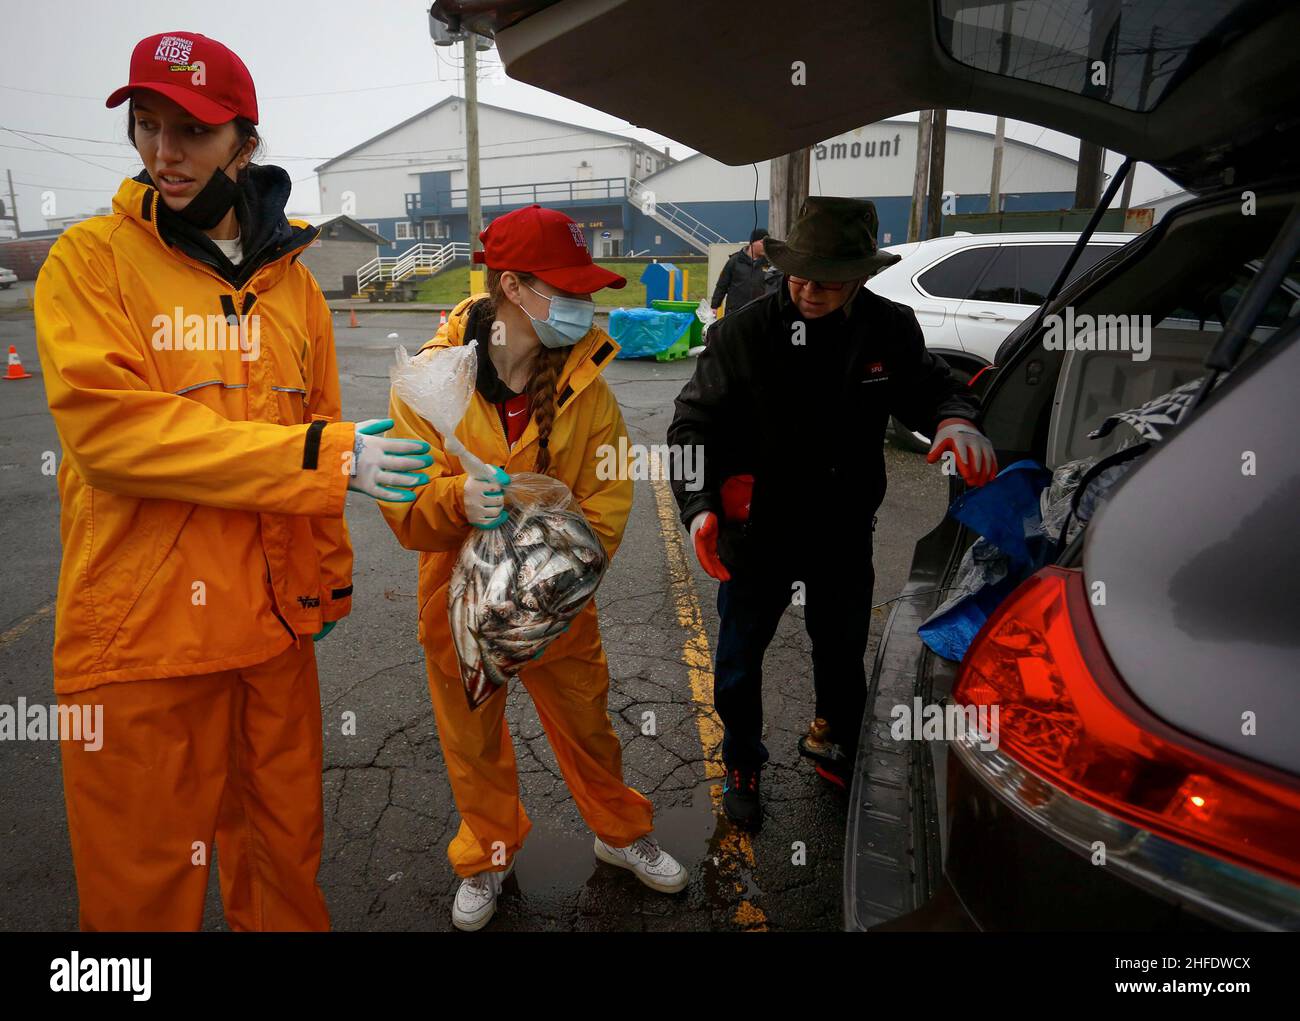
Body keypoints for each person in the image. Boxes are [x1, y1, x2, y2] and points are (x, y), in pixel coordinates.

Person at [33, 31, 433, 931]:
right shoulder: (91, 262)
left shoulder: (293, 286)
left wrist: (327, 578)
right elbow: (114, 436)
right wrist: (323, 458)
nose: (164, 153)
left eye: (192, 130)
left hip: (272, 637)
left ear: (244, 141)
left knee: (285, 869)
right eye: (147, 126)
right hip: (142, 644)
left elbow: (322, 421)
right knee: (140, 899)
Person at [380, 204, 688, 931]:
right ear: (513, 288)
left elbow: (609, 492)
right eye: (571, 290)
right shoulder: (426, 384)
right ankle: (487, 857)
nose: (586, 305)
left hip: (555, 605)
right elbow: (405, 508)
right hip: (459, 609)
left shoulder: (588, 388)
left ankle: (620, 832)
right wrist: (458, 496)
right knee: (472, 738)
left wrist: (563, 571)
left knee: (588, 724)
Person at [668, 197, 997, 830]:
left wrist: (956, 418)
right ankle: (742, 759)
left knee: (842, 651)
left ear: (861, 275)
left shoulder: (888, 328)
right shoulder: (743, 332)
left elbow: (930, 386)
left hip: (842, 527)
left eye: (828, 278)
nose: (810, 289)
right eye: (799, 274)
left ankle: (833, 738)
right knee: (739, 656)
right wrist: (700, 506)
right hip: (755, 527)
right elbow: (692, 424)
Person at [710, 227, 782, 319]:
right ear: (753, 242)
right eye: (762, 242)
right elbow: (722, 285)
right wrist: (714, 306)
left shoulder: (770, 264)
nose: (765, 246)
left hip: (759, 313)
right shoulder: (735, 261)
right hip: (735, 312)